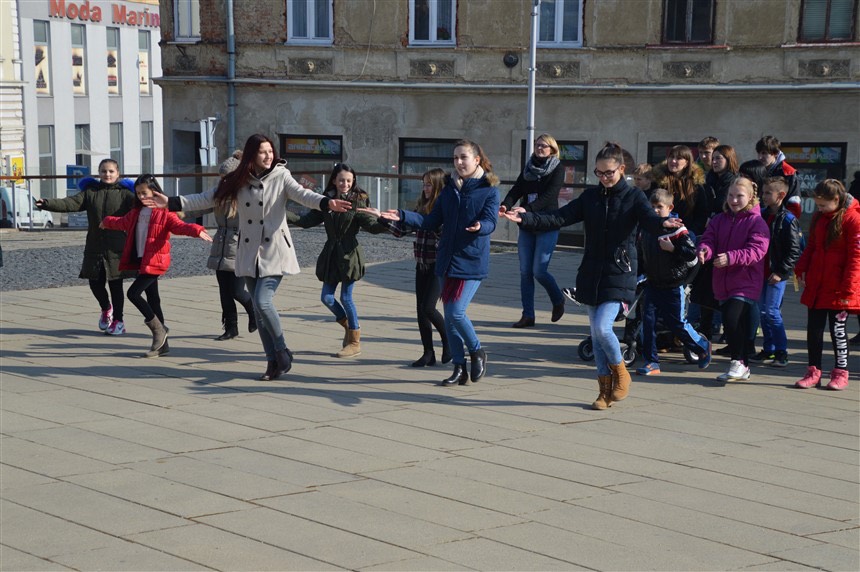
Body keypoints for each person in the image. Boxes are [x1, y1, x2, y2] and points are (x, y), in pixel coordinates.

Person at [141, 134, 351, 380]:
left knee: (262, 302)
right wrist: (171, 202)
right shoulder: (237, 179)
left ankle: (282, 349)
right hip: (249, 252)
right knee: (260, 314)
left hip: (274, 251)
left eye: (270, 151)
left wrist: (327, 203)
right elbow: (208, 197)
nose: (268, 155)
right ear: (252, 155)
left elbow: (303, 194)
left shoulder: (281, 175)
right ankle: (272, 363)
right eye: (263, 152)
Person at [503, 143, 682, 410]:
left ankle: (621, 372)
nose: (604, 178)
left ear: (621, 169)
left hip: (620, 272)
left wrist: (663, 224)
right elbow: (559, 217)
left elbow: (649, 220)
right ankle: (603, 392)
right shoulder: (590, 197)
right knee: (596, 337)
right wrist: (526, 217)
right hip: (590, 272)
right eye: (599, 173)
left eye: (609, 172)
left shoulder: (634, 197)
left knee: (602, 328)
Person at [365, 140, 499, 386]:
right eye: (455, 158)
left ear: (477, 160)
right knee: (450, 317)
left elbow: (491, 221)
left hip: (471, 260)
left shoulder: (488, 189)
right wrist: (402, 215)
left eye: (463, 157)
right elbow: (430, 221)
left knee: (456, 312)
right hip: (446, 260)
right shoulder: (449, 189)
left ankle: (477, 351)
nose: (459, 162)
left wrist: (481, 226)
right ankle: (459, 367)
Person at [100, 175, 212, 357]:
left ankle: (159, 329)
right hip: (142, 260)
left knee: (133, 293)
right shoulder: (137, 211)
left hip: (155, 260)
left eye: (144, 193)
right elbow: (122, 222)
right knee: (153, 299)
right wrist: (107, 221)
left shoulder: (164, 211)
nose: (141, 197)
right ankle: (162, 345)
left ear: (155, 191)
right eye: (138, 194)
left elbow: (179, 226)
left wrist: (197, 230)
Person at [287, 163, 388, 358]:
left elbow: (371, 226)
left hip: (350, 255)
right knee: (326, 297)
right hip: (332, 254)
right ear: (334, 180)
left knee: (346, 298)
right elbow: (306, 221)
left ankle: (355, 341)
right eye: (342, 180)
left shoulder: (358, 200)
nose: (345, 184)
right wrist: (282, 214)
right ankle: (349, 327)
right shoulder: (326, 201)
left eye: (349, 181)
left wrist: (386, 221)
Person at [36, 159, 135, 335]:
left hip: (116, 248)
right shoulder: (90, 192)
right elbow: (70, 203)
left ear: (118, 173)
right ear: (99, 173)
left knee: (116, 285)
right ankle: (106, 308)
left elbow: (141, 207)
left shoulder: (126, 194)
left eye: (111, 171)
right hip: (94, 246)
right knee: (94, 283)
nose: (107, 174)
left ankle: (118, 321)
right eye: (104, 171)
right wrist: (47, 203)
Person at [697, 178, 770, 382]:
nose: (734, 200)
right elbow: (708, 238)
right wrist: (704, 250)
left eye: (739, 196)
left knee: (731, 319)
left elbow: (757, 251)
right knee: (735, 324)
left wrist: (730, 258)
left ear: (750, 197)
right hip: (722, 281)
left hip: (746, 281)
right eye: (731, 195)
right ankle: (743, 365)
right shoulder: (719, 219)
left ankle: (737, 362)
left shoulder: (757, 222)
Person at [377, 168, 451, 367]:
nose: (425, 188)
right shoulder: (421, 206)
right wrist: (382, 218)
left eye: (429, 185)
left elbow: (442, 235)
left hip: (437, 266)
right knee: (420, 310)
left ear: (438, 186)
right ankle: (428, 353)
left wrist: (428, 223)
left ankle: (449, 343)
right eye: (423, 184)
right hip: (421, 264)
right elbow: (402, 231)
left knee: (428, 308)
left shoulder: (444, 208)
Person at [793, 179, 860, 390]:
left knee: (838, 331)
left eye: (823, 205)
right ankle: (813, 371)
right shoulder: (819, 218)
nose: (819, 208)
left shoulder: (853, 219)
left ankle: (840, 372)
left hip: (839, 287)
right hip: (818, 284)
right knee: (814, 330)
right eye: (818, 205)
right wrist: (801, 268)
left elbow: (856, 257)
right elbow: (812, 246)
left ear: (836, 200)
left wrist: (849, 287)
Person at [636, 189, 711, 376]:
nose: (655, 210)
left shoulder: (678, 229)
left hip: (673, 285)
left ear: (670, 208)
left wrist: (673, 249)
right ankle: (652, 362)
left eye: (659, 207)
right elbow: (641, 255)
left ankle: (702, 346)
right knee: (648, 322)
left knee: (676, 323)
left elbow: (691, 254)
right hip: (653, 284)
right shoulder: (646, 229)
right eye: (652, 207)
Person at [185, 150, 257, 341]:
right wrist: (176, 211)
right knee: (224, 292)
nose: (224, 181)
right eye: (222, 177)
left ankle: (254, 311)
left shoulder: (248, 195)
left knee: (237, 291)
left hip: (240, 246)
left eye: (227, 177)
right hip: (220, 245)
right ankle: (230, 328)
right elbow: (199, 206)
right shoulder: (220, 194)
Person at [498, 133, 566, 328]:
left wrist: (526, 209)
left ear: (552, 149)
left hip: (546, 223)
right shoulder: (529, 166)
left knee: (539, 271)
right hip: (527, 224)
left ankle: (558, 299)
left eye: (543, 146)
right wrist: (506, 204)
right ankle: (528, 315)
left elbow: (549, 196)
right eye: (537, 145)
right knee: (525, 271)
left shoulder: (557, 168)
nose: (539, 148)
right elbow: (517, 189)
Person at [750, 177, 803, 368]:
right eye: (762, 192)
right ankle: (769, 349)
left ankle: (781, 351)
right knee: (763, 313)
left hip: (776, 274)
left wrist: (781, 272)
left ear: (780, 195)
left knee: (772, 312)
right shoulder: (762, 215)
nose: (763, 196)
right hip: (761, 272)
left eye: (767, 193)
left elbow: (794, 250)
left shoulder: (788, 219)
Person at [651, 145, 710, 236]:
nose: (673, 161)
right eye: (671, 157)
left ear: (686, 163)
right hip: (661, 233)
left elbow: (701, 214)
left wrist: (691, 233)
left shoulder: (696, 185)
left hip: (687, 233)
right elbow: (650, 209)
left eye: (678, 158)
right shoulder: (658, 182)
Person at [755, 135, 802, 217]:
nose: (760, 157)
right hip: (759, 217)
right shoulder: (757, 169)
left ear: (775, 154)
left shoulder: (788, 172)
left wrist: (785, 221)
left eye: (764, 153)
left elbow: (794, 204)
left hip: (779, 219)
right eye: (758, 153)